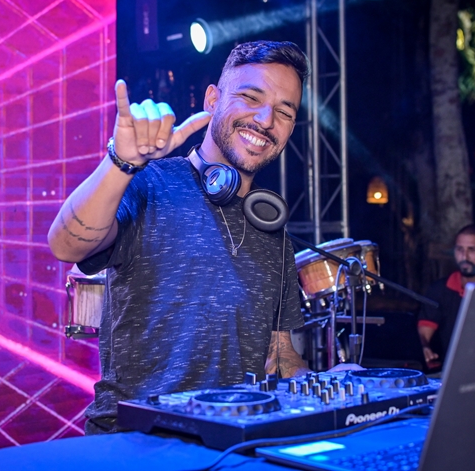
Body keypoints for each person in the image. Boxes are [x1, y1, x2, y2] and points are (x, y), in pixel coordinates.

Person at [48, 41, 318, 435]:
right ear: (213, 99)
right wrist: (121, 163)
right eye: (250, 97)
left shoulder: (271, 230)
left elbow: (281, 355)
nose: (265, 119)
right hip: (138, 443)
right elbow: (65, 245)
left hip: (231, 442)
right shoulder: (148, 184)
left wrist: (336, 386)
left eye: (284, 111)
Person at [417, 224, 475, 368]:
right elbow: (424, 333)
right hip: (452, 370)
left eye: (472, 250)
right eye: (460, 249)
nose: (464, 256)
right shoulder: (439, 290)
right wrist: (424, 348)